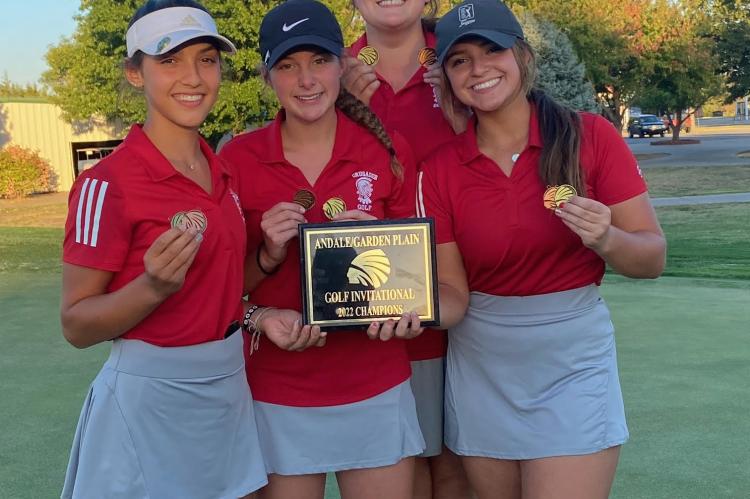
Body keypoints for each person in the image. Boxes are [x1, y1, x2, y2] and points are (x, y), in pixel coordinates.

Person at [416, 1, 667, 498]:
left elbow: (652, 258)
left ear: (523, 56)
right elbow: (454, 293)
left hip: (572, 362)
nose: (479, 68)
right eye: (460, 59)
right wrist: (403, 308)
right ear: (445, 76)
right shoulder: (440, 168)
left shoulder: (590, 136)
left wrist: (607, 238)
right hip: (482, 368)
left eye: (492, 50)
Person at [59, 1, 268, 497]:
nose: (193, 77)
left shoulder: (222, 171)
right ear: (136, 73)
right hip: (151, 400)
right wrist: (151, 287)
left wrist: (266, 259)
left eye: (207, 59)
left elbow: (220, 287)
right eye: (169, 60)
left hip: (229, 387)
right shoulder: (106, 183)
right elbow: (76, 325)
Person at [219, 1, 425, 498]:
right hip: (277, 389)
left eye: (319, 61)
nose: (306, 79)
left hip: (374, 381)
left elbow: (418, 282)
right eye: (287, 66)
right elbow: (223, 291)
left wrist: (385, 259)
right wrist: (268, 255)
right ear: (268, 78)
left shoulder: (387, 149)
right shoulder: (237, 158)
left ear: (343, 65)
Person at [343, 2, 471, 497]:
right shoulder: (330, 69)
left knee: (469, 462)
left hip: (481, 296)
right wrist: (342, 107)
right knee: (412, 462)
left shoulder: (468, 55)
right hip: (391, 302)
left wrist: (463, 117)